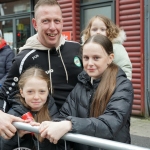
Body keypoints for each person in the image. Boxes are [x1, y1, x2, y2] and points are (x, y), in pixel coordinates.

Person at [0, 0, 82, 139]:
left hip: (80, 132)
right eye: (46, 21)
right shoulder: (23, 58)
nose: (52, 27)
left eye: (57, 21)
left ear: (62, 22)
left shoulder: (78, 49)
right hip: (46, 139)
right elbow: (3, 95)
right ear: (35, 24)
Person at [38, 34, 134, 150]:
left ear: (110, 58)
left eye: (96, 58)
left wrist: (70, 124)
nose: (90, 63)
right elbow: (64, 115)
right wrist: (49, 126)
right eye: (86, 58)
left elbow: (110, 124)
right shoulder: (81, 85)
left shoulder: (123, 86)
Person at [1, 66, 66, 150]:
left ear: (48, 90)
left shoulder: (53, 113)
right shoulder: (13, 115)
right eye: (30, 92)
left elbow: (62, 146)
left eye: (42, 91)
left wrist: (40, 136)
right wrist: (18, 135)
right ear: (22, 92)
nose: (36, 97)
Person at [81, 15, 132, 80]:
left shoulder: (116, 47)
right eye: (94, 29)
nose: (98, 32)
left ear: (109, 31)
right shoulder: (86, 47)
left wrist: (122, 84)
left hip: (111, 84)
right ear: (89, 31)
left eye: (102, 29)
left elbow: (125, 67)